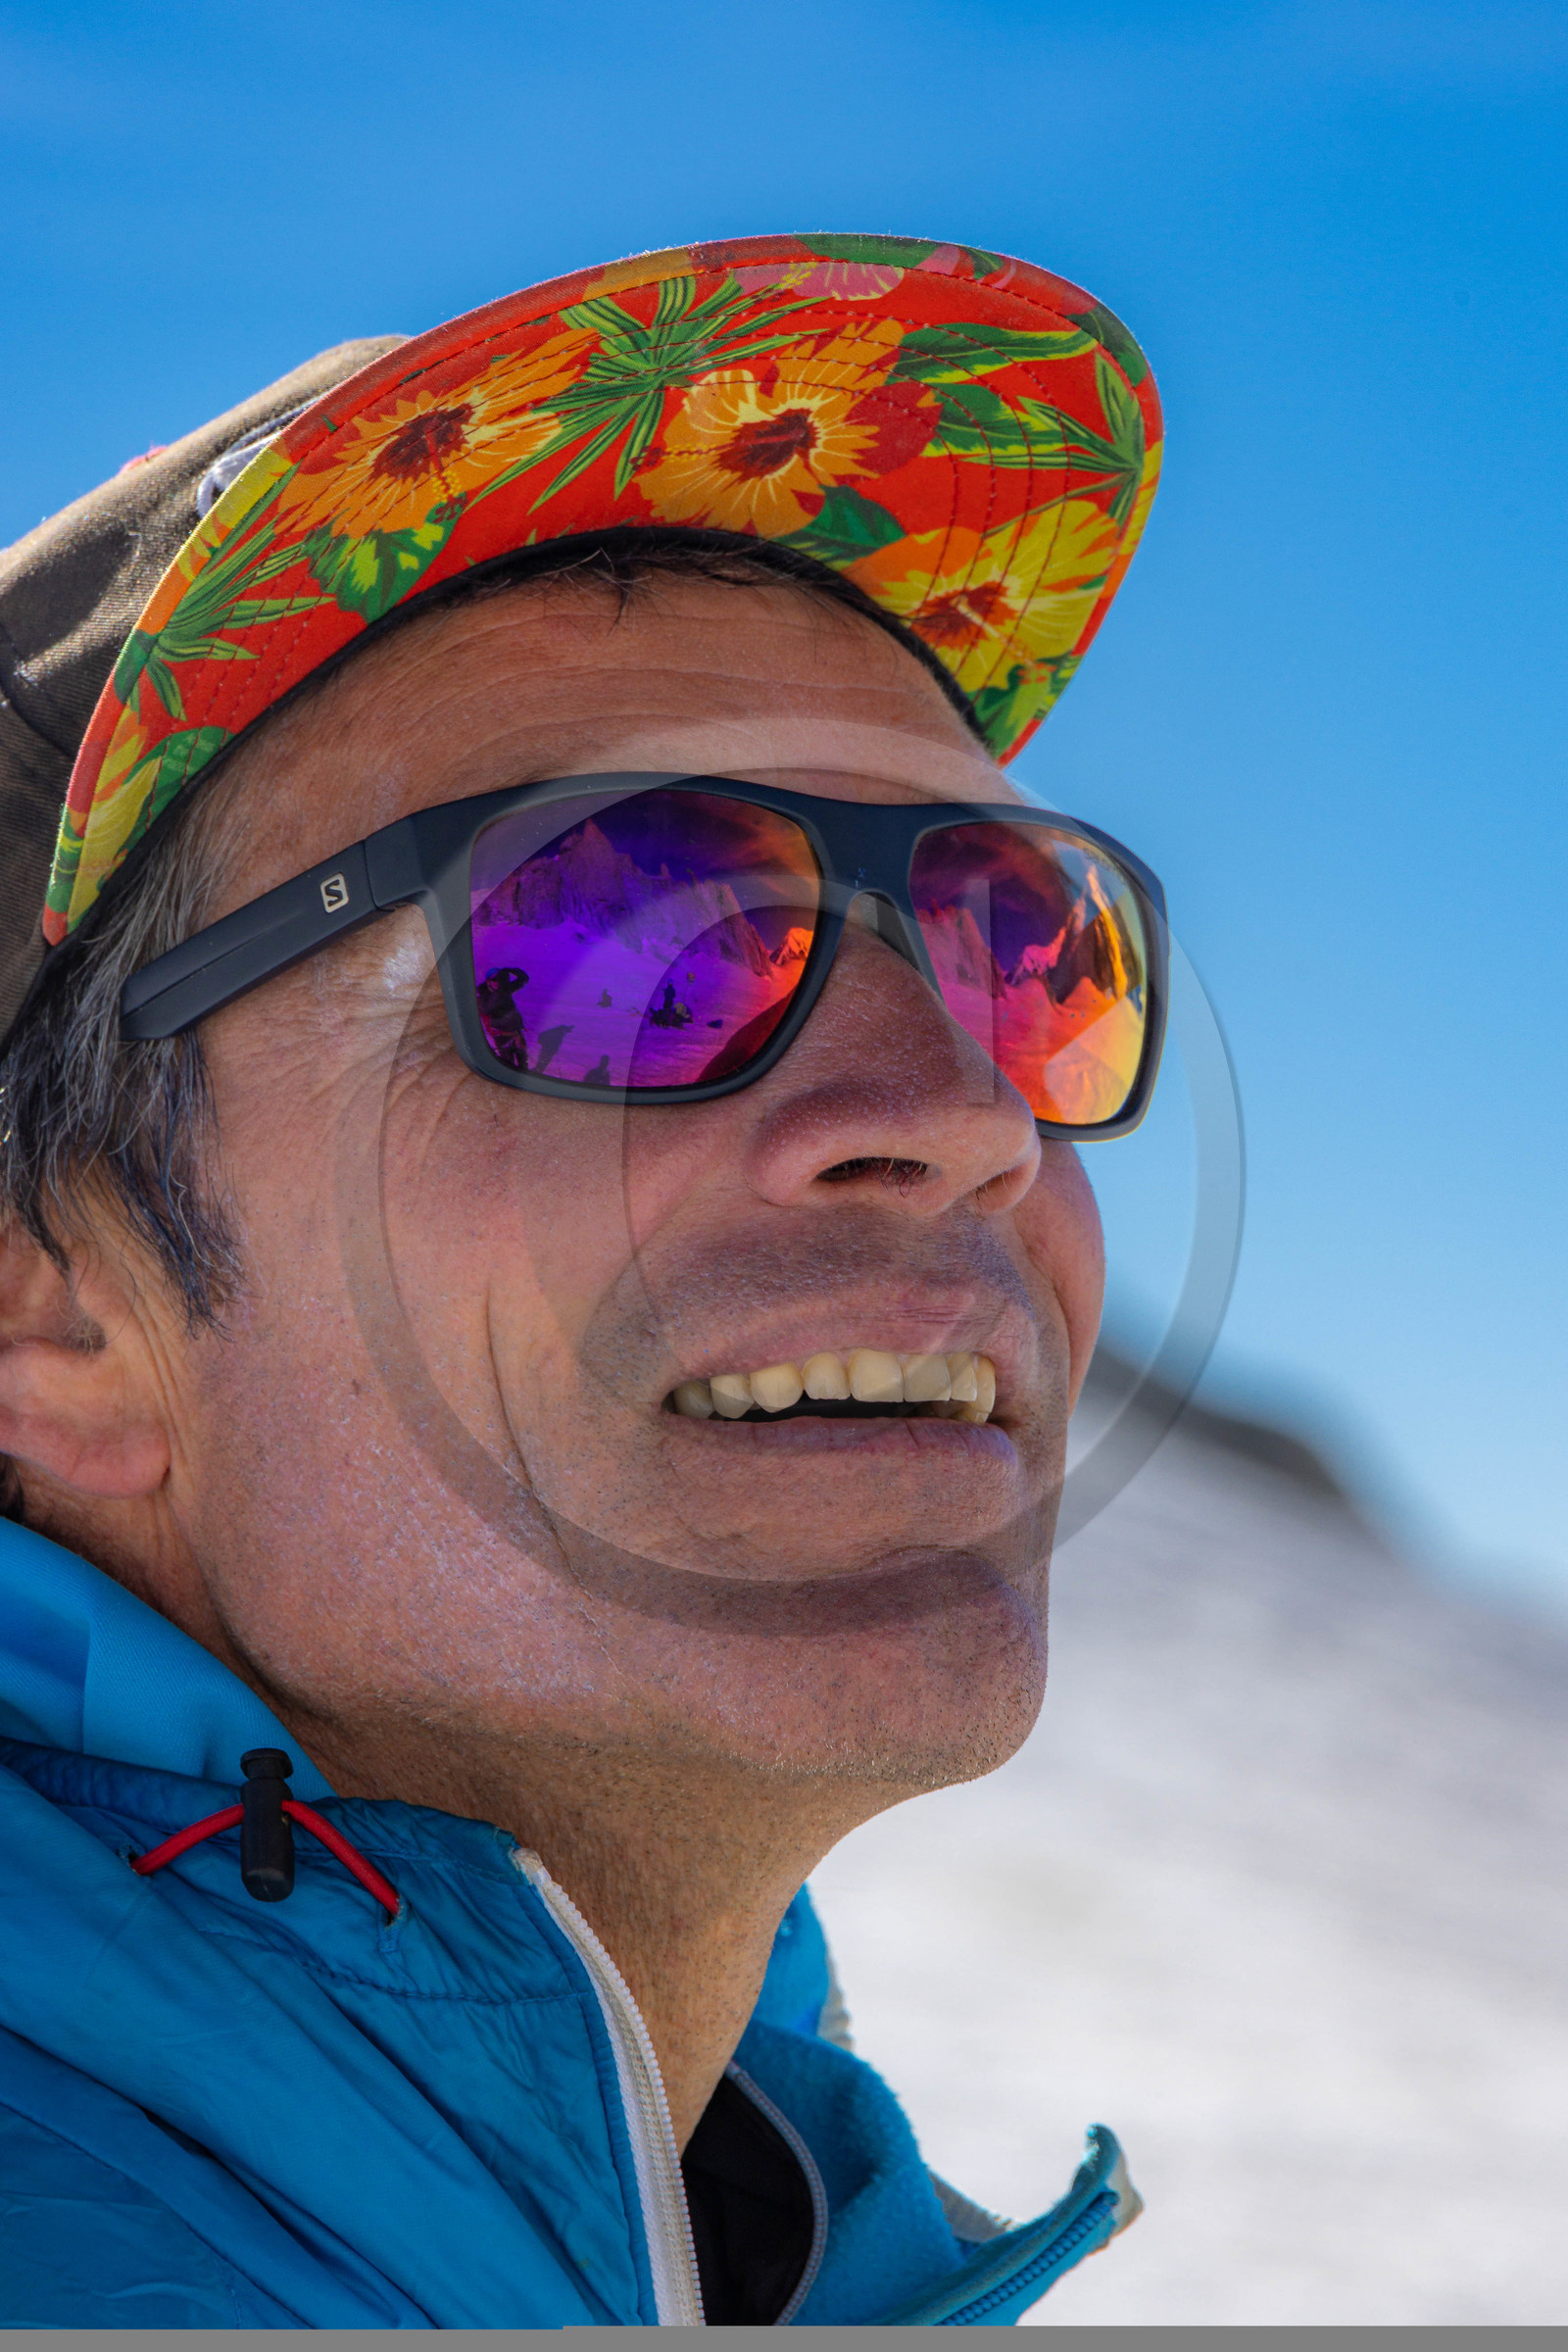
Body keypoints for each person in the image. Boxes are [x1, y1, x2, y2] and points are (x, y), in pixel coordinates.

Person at [0, 233, 1164, 2327]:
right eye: (623, 932)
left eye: (1015, 943)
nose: (971, 1117)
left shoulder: (734, 2231)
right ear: (56, 1306)